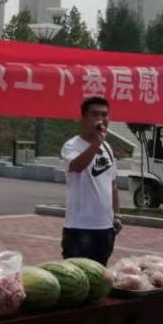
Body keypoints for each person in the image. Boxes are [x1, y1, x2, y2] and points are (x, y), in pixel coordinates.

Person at [61, 95, 123, 265]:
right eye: (95, 114)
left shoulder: (107, 147)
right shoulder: (71, 145)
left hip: (105, 228)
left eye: (104, 114)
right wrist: (96, 143)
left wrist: (117, 215)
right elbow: (77, 166)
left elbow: (112, 185)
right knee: (76, 274)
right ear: (83, 118)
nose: (101, 119)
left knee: (99, 273)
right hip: (79, 227)